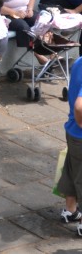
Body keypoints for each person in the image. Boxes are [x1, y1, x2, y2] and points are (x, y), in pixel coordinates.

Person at [56, 55, 82, 228]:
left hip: (72, 131)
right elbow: (80, 106)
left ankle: (70, 210)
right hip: (80, 133)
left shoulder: (79, 61)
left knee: (72, 169)